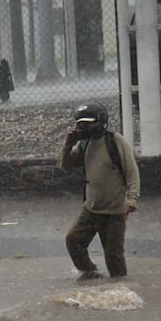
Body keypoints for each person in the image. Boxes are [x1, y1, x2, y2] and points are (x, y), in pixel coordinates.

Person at [57, 102, 141, 280]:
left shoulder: (116, 142)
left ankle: (121, 288)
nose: (83, 128)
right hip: (91, 208)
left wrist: (132, 198)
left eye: (87, 124)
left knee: (113, 256)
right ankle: (91, 273)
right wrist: (68, 144)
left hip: (114, 211)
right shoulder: (83, 144)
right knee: (73, 240)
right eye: (80, 124)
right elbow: (65, 166)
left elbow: (132, 173)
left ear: (101, 122)